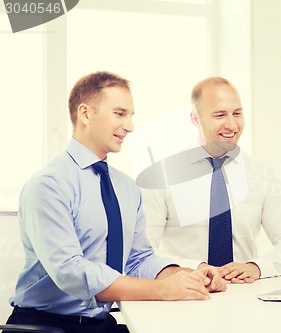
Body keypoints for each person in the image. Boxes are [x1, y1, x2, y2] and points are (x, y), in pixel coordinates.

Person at [7, 71, 226, 333]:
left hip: (101, 323)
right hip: (47, 326)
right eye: (120, 114)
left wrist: (187, 276)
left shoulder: (126, 187)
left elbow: (138, 259)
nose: (130, 126)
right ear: (86, 114)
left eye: (131, 116)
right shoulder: (49, 185)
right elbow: (70, 273)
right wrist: (162, 290)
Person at [137, 77, 281, 284]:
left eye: (237, 113)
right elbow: (143, 251)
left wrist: (256, 267)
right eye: (220, 115)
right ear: (195, 118)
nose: (232, 125)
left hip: (245, 299)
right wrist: (194, 268)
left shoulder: (261, 175)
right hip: (184, 299)